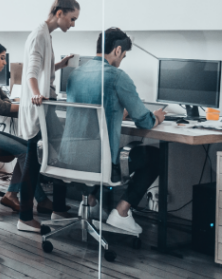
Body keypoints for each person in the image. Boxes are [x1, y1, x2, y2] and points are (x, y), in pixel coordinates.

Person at [64, 28, 166, 234]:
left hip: (68, 157)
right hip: (97, 161)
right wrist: (157, 117)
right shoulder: (117, 76)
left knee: (97, 148)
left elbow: (90, 115)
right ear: (117, 50)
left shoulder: (75, 73)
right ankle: (121, 212)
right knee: (156, 157)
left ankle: (91, 202)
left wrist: (118, 114)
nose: (122, 60)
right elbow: (144, 121)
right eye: (124, 55)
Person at [17, 0, 80, 232]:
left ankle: (58, 207)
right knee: (34, 161)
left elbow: (41, 67)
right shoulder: (39, 34)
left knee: (59, 154)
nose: (73, 24)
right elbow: (31, 72)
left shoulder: (46, 34)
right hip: (40, 107)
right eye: (72, 19)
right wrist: (36, 94)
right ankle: (24, 217)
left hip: (46, 105)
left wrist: (60, 64)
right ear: (60, 12)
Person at [0, 40, 47, 213]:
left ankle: (16, 195)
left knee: (28, 148)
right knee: (27, 152)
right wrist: (29, 107)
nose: (5, 62)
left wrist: (26, 107)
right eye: (2, 58)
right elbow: (1, 107)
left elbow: (6, 101)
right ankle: (30, 197)